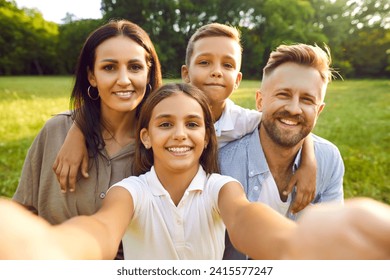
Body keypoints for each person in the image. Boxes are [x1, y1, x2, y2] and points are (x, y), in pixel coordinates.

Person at [0, 83, 389, 260]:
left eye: (192, 124)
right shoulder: (130, 191)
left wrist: (294, 246)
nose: (180, 134)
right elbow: (100, 229)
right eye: (165, 124)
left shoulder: (223, 188)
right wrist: (55, 250)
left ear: (207, 136)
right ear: (147, 137)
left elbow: (246, 219)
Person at [11, 19, 163, 259]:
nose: (124, 79)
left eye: (134, 67)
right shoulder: (56, 131)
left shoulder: (162, 142)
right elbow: (22, 211)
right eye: (109, 67)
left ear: (149, 73)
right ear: (92, 76)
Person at [219, 43, 345, 259]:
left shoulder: (329, 159)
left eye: (307, 100)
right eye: (283, 95)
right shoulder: (224, 163)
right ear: (260, 101)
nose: (294, 109)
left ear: (319, 110)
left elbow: (331, 245)